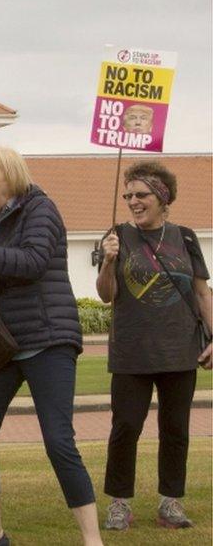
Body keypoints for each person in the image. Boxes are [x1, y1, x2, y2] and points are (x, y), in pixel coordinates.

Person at [0, 146, 103, 546]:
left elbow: (32, 262)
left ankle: (92, 540)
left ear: (10, 175)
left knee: (58, 442)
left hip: (49, 341)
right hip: (4, 347)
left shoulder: (40, 209)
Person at [96, 161, 212, 531]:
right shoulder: (115, 236)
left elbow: (201, 291)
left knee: (175, 428)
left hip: (180, 349)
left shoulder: (186, 238)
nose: (133, 201)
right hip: (132, 351)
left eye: (141, 194)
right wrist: (108, 261)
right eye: (128, 195)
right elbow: (106, 295)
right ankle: (119, 503)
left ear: (163, 197)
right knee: (126, 427)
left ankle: (170, 504)